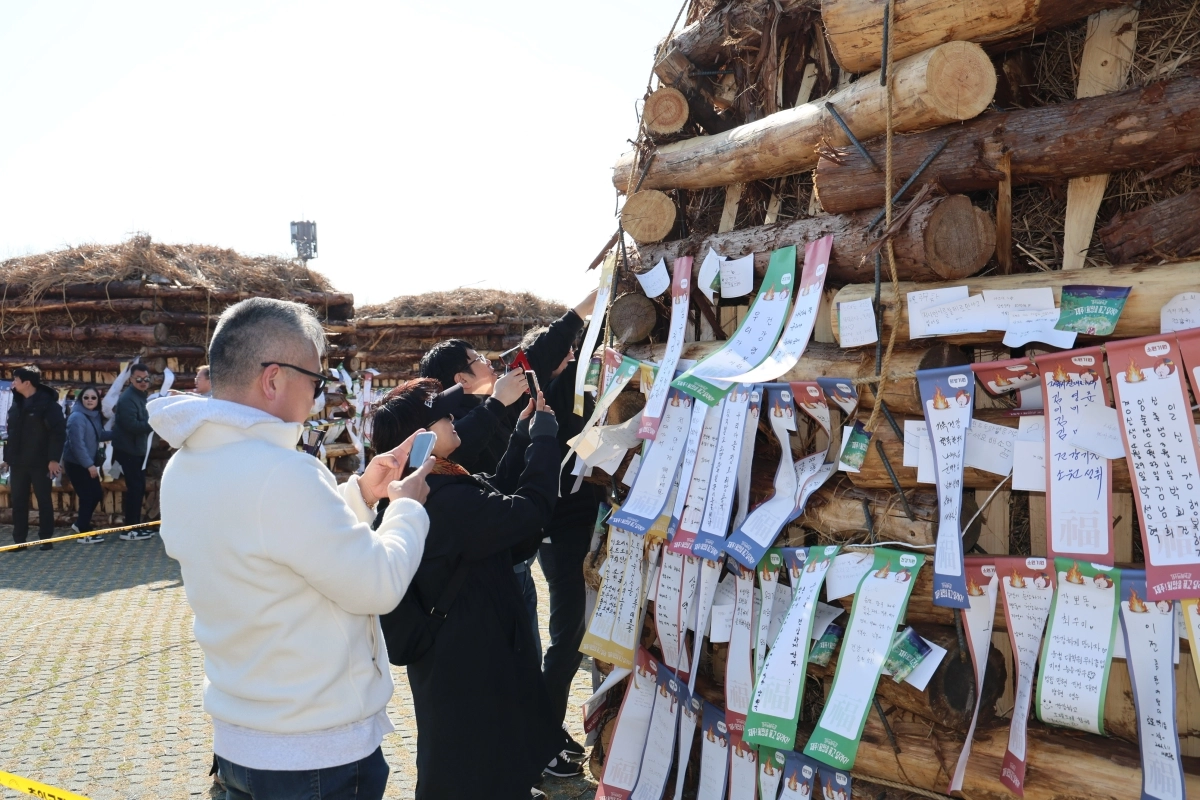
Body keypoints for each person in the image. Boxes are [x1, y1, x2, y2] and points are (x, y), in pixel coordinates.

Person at [148, 297, 435, 800]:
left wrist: (359, 495)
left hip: (241, 741)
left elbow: (273, 547)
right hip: (314, 753)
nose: (319, 394)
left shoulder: (187, 466)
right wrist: (406, 507)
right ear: (274, 379)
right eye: (316, 379)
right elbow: (377, 584)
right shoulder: (281, 474)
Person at [372, 378, 562, 800]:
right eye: (443, 415)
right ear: (418, 439)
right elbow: (528, 512)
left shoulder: (431, 487)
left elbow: (491, 495)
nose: (453, 418)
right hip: (470, 663)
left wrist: (520, 440)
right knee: (474, 771)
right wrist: (546, 444)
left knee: (464, 761)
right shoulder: (445, 500)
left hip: (455, 657)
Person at [520, 288, 601, 774]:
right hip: (558, 530)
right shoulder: (531, 396)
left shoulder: (572, 388)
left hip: (583, 522)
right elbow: (541, 352)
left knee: (573, 635)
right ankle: (542, 741)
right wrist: (578, 311)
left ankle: (548, 729)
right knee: (566, 636)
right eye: (567, 354)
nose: (574, 358)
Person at [420, 340, 538, 651]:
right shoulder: (461, 423)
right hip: (487, 569)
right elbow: (466, 451)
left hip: (514, 558)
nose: (489, 363)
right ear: (461, 379)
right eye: (479, 359)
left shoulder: (485, 407)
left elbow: (500, 476)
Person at [3, 366, 66, 551]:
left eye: (15, 380)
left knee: (44, 500)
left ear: (27, 383)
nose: (13, 383)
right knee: (18, 502)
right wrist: (8, 458)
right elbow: (12, 433)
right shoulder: (17, 403)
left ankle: (45, 539)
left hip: (41, 463)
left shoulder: (48, 405)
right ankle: (20, 541)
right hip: (18, 463)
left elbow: (58, 433)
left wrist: (54, 459)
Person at [63, 387, 112, 544]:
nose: (89, 400)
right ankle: (82, 532)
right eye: (86, 397)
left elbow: (99, 435)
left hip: (86, 463)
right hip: (77, 463)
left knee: (96, 494)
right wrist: (89, 465)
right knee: (87, 496)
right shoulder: (77, 417)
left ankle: (80, 524)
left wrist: (119, 433)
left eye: (93, 398)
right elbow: (77, 444)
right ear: (81, 400)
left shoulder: (94, 416)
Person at [112, 363, 155, 541]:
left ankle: (135, 527)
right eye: (139, 379)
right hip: (129, 450)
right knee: (135, 489)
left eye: (146, 379)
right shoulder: (128, 398)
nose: (143, 382)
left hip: (137, 449)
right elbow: (132, 426)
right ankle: (130, 529)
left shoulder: (140, 395)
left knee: (137, 489)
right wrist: (154, 423)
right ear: (130, 379)